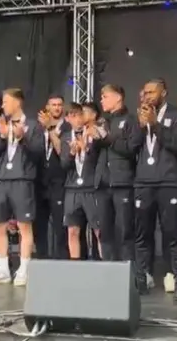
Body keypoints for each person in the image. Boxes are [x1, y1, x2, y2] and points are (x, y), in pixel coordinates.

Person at [134, 79, 177, 300]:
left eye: (152, 92)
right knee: (142, 235)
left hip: (169, 182)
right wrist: (141, 127)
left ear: (164, 93)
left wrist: (156, 125)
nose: (147, 95)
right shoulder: (139, 117)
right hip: (143, 183)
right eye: (145, 92)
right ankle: (141, 279)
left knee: (172, 234)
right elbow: (129, 148)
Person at [0, 88, 44, 286]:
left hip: (22, 179)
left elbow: (38, 154)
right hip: (1, 180)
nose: (2, 105)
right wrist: (2, 137)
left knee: (23, 225)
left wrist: (22, 138)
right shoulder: (0, 125)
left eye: (6, 102)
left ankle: (24, 268)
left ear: (17, 102)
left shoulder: (34, 126)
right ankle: (3, 269)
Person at [95, 84, 143, 287]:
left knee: (124, 231)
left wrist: (108, 138)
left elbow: (132, 149)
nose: (102, 100)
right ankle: (108, 275)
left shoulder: (130, 121)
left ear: (118, 97)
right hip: (103, 183)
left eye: (105, 96)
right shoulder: (103, 121)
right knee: (104, 231)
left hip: (123, 182)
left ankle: (129, 278)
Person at [60, 103, 101, 260]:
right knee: (72, 230)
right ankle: (75, 266)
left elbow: (99, 160)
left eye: (79, 115)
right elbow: (64, 164)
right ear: (68, 118)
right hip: (71, 189)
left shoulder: (93, 134)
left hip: (91, 187)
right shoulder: (65, 136)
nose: (76, 119)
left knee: (98, 230)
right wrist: (71, 153)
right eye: (72, 115)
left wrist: (87, 149)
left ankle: (103, 267)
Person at [36, 95, 69, 259]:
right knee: (39, 226)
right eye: (53, 105)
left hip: (59, 182)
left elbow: (62, 151)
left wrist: (50, 129)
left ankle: (62, 261)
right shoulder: (38, 128)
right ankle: (41, 259)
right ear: (46, 107)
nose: (57, 108)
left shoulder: (67, 127)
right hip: (40, 182)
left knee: (59, 226)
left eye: (59, 105)